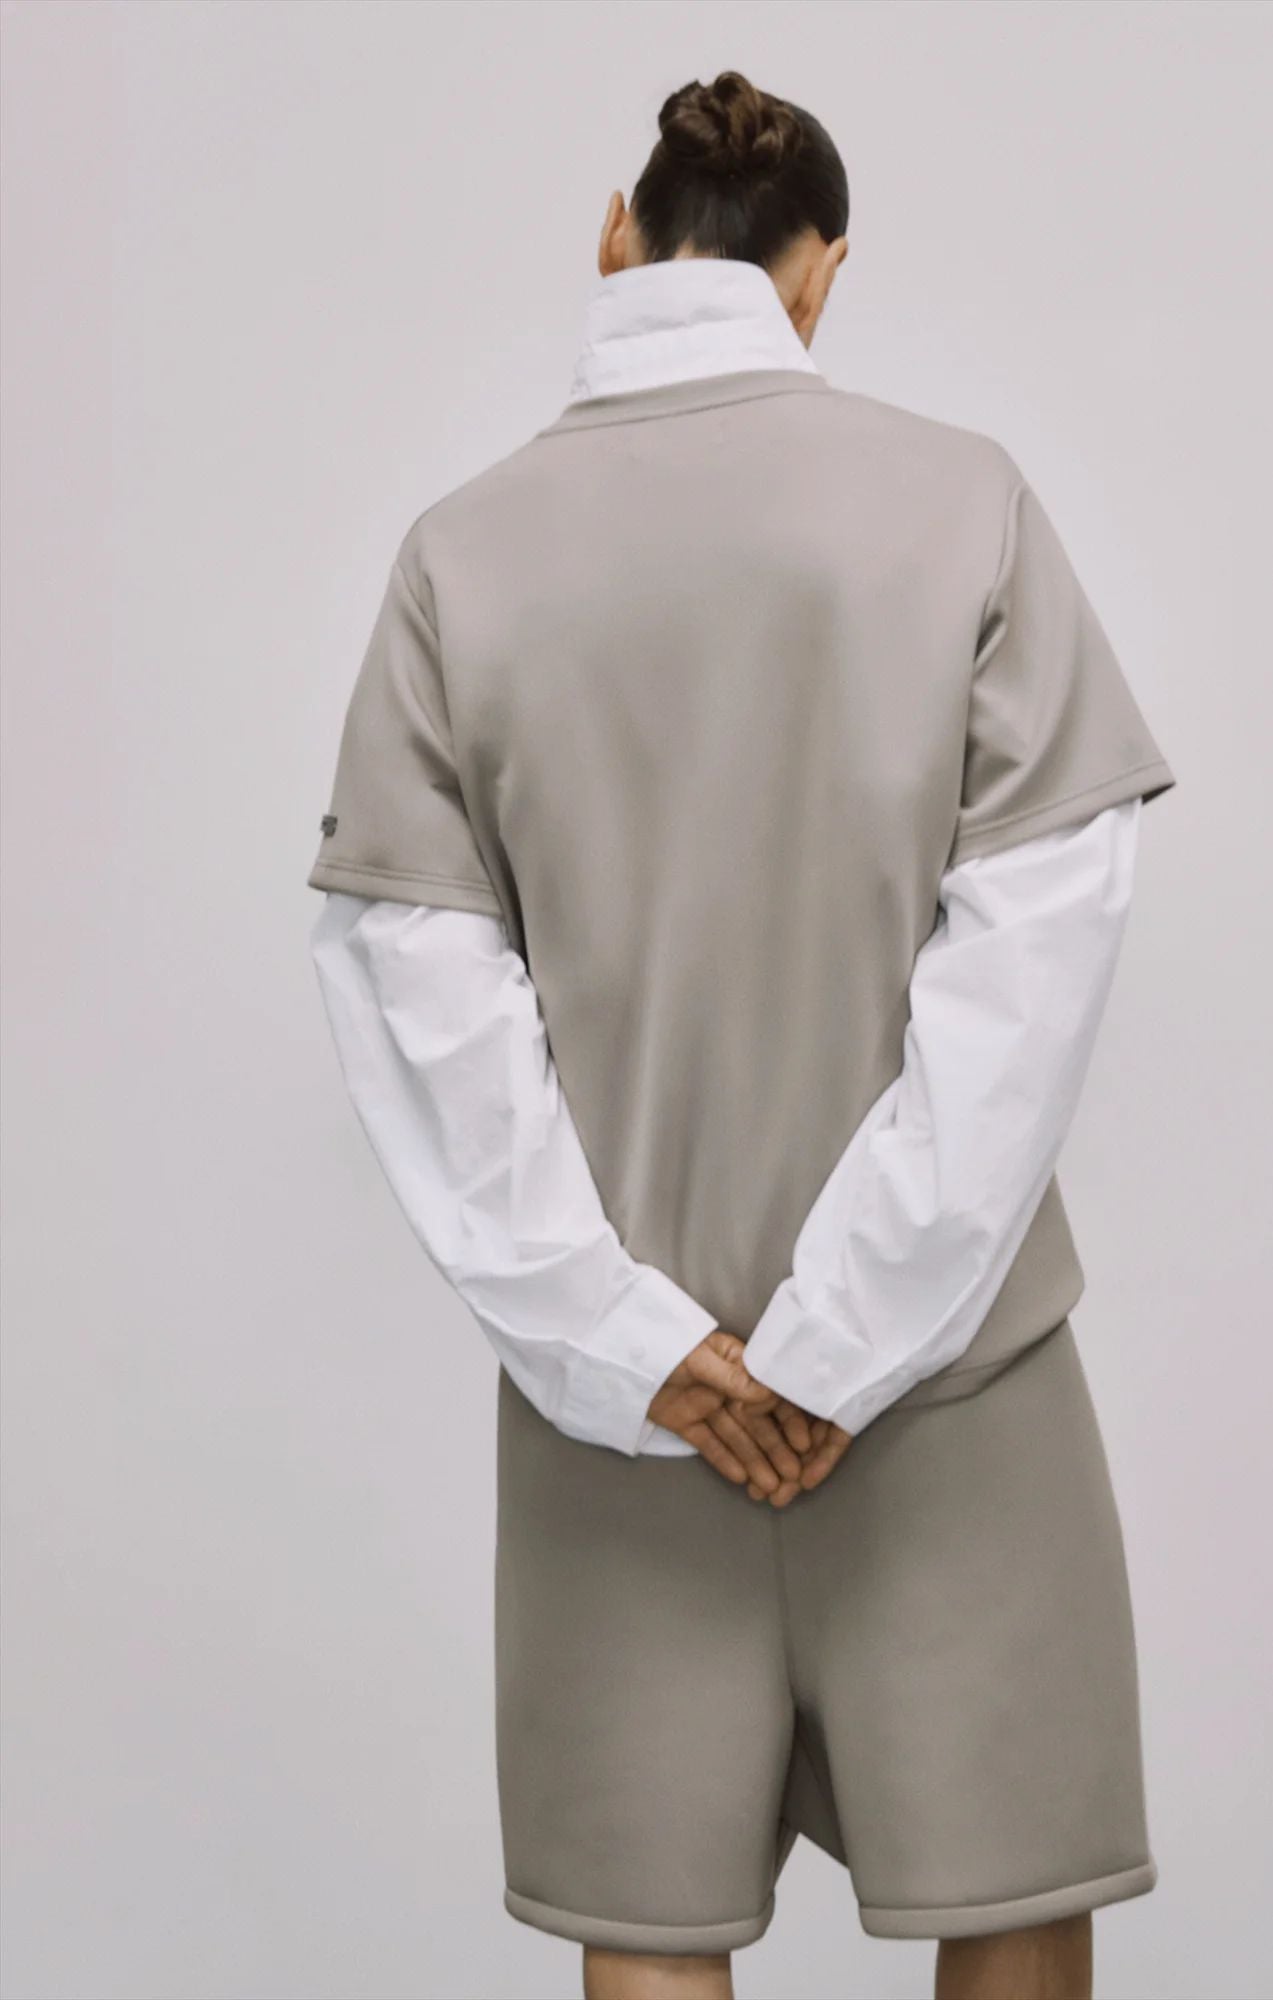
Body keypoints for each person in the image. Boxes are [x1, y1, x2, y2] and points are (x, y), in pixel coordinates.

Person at [306, 69, 1175, 2000]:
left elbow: (415, 985)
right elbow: (1032, 965)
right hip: (956, 1389)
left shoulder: (460, 556)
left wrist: (641, 1348)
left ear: (617, 236)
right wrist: (846, 1338)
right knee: (1014, 1907)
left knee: (651, 1937)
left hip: (629, 1422)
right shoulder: (967, 502)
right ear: (823, 273)